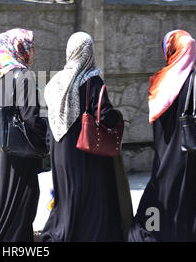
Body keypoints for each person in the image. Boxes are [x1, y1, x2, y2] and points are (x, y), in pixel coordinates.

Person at [128, 30, 196, 242]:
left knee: (162, 199)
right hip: (193, 155)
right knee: (194, 202)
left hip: (165, 156)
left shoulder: (158, 81)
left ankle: (156, 232)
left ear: (170, 51)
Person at [40, 32, 133, 242]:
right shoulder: (91, 79)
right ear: (87, 52)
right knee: (90, 195)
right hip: (85, 149)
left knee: (66, 195)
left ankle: (61, 233)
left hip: (59, 148)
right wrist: (118, 118)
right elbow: (105, 115)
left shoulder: (56, 81)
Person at [0, 28, 47, 242]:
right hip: (20, 160)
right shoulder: (24, 76)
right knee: (21, 214)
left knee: (1, 214)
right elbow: (30, 118)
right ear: (19, 48)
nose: (34, 51)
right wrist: (49, 138)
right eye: (30, 46)